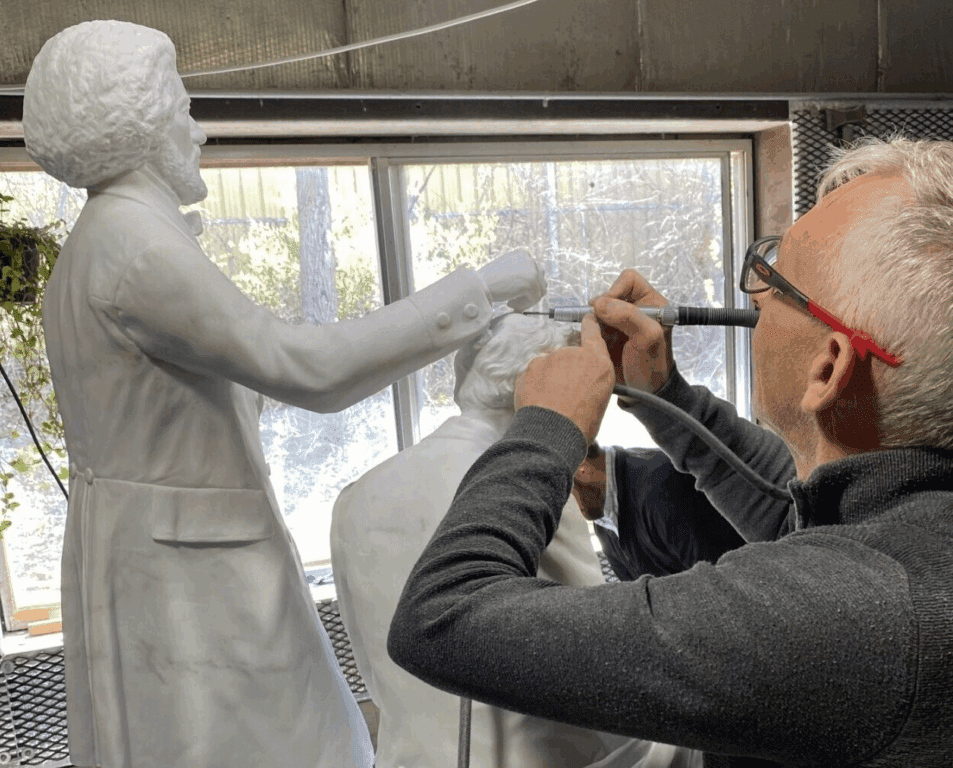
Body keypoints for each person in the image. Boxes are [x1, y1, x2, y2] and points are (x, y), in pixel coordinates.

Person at [23, 20, 545, 768]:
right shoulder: (135, 249)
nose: (197, 129)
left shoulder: (105, 244)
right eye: (181, 105)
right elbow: (309, 368)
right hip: (191, 576)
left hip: (168, 547)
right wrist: (480, 289)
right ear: (135, 123)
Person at [388, 135, 953, 767]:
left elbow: (443, 619)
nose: (756, 296)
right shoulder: (908, 535)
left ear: (827, 370)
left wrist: (546, 427)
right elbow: (787, 517)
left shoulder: (848, 621)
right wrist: (665, 393)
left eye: (777, 278)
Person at [331, 313, 697, 768]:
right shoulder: (532, 486)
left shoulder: (354, 496)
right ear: (550, 384)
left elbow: (370, 669)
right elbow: (592, 660)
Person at [572, 444, 744, 581]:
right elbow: (637, 597)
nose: (565, 504)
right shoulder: (602, 516)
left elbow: (720, 584)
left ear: (582, 469)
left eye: (563, 489)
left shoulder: (660, 489)